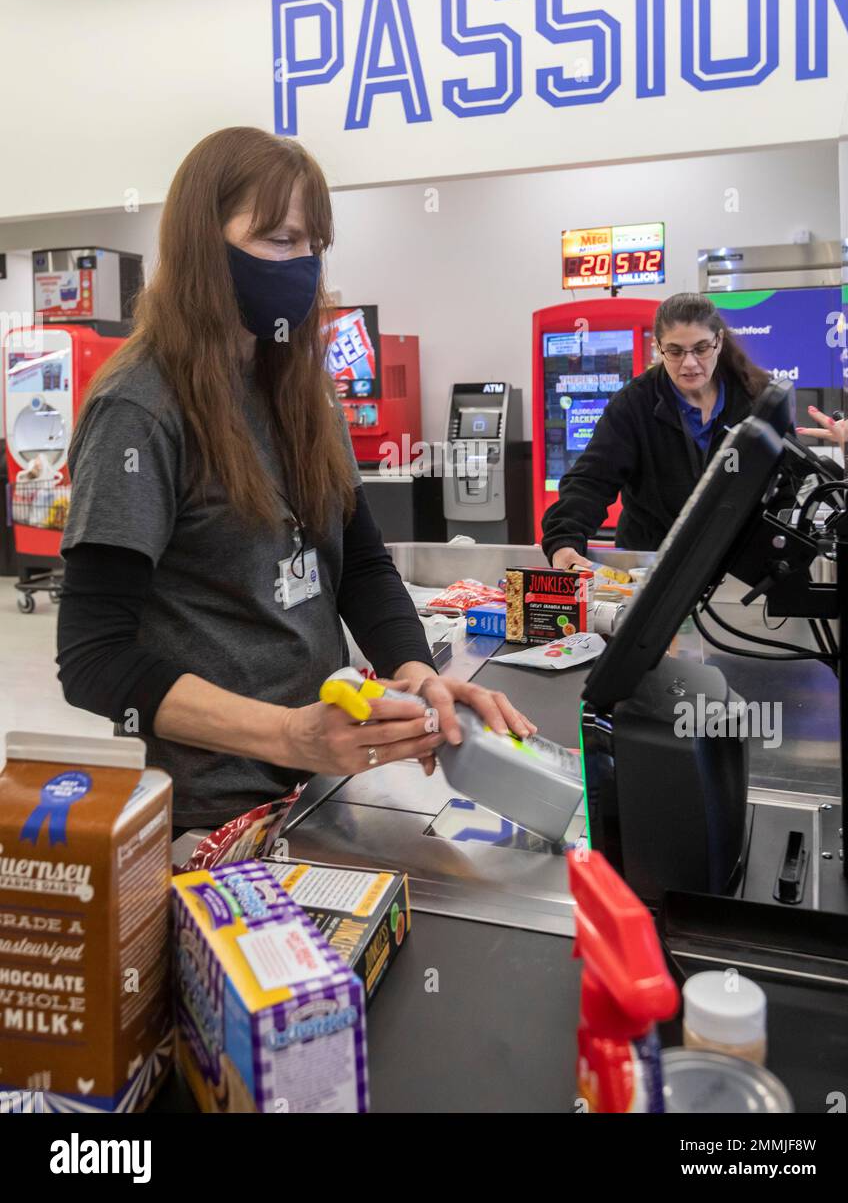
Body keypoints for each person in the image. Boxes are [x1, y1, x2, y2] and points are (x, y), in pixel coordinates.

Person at [56, 127, 533, 836]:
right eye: (279, 240)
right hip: (216, 812)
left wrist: (414, 670)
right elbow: (93, 656)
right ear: (201, 245)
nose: (303, 264)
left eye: (314, 244)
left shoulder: (303, 387)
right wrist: (288, 734)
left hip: (326, 784)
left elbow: (360, 563)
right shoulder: (142, 408)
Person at [541, 292, 776, 569]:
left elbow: (785, 476)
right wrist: (564, 542)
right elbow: (591, 480)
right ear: (658, 348)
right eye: (675, 351)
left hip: (735, 563)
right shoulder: (634, 404)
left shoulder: (755, 398)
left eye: (701, 348)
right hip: (651, 565)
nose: (689, 363)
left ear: (719, 342)